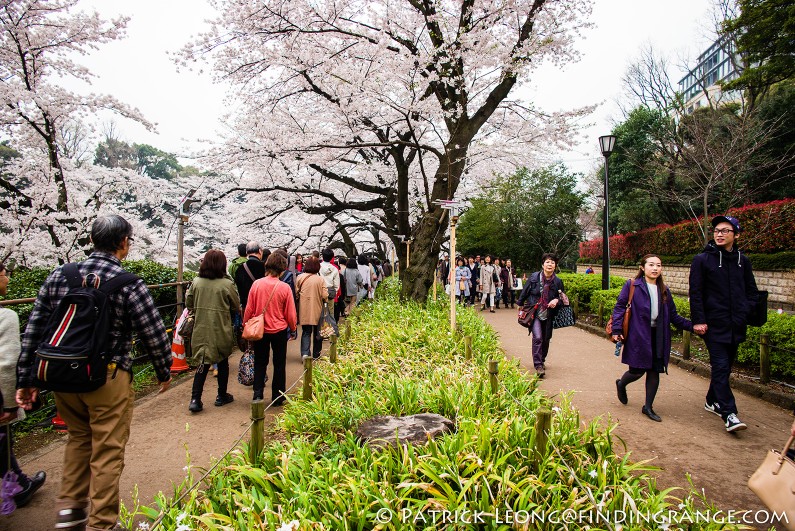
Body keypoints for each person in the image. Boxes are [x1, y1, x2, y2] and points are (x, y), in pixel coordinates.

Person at [16, 214, 172, 530]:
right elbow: (153, 332)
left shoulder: (60, 276)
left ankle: (69, 513)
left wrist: (27, 377)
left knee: (78, 438)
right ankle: (102, 523)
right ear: (123, 243)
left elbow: (35, 328)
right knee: (107, 449)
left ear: (92, 241)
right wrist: (163, 370)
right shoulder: (129, 283)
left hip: (63, 377)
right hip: (107, 377)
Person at [689, 215, 759, 433]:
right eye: (717, 230)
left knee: (725, 368)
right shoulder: (702, 260)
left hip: (736, 325)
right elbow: (696, 292)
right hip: (713, 325)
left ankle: (711, 400)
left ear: (735, 235)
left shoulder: (742, 261)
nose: (719, 234)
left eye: (725, 231)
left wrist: (745, 310)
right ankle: (728, 413)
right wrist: (699, 320)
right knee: (720, 366)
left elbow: (752, 292)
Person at [612, 255, 693, 422]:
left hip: (658, 335)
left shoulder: (664, 290)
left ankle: (648, 406)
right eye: (651, 265)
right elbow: (620, 307)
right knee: (637, 370)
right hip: (638, 335)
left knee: (655, 370)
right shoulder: (632, 285)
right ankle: (621, 384)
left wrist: (694, 326)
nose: (655, 268)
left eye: (658, 265)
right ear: (643, 267)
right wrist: (617, 329)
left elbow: (674, 316)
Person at [0, 263, 46, 510]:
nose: (7, 279)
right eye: (4, 274)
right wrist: (10, 404)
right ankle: (18, 486)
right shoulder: (5, 316)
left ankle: (18, 484)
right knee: (2, 439)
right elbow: (6, 365)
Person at [186, 250, 241, 413]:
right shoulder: (226, 284)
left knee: (203, 362)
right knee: (222, 360)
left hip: (201, 328)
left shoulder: (196, 282)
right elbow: (235, 305)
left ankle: (195, 399)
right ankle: (221, 395)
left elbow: (189, 303)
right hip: (220, 328)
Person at [243, 253, 297, 406]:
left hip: (260, 330)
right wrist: (292, 328)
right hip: (279, 330)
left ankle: (258, 393)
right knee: (279, 363)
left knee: (260, 362)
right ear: (282, 269)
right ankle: (278, 396)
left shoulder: (257, 285)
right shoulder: (284, 287)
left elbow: (249, 308)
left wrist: (246, 323)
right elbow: (290, 313)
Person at [517, 253, 565, 378]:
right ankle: (538, 365)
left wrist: (556, 301)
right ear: (543, 264)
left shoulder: (558, 281)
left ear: (555, 266)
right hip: (535, 312)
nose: (550, 264)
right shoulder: (534, 277)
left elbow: (562, 298)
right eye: (548, 262)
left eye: (553, 262)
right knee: (537, 337)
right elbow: (525, 291)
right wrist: (520, 303)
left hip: (549, 314)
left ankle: (542, 359)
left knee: (546, 339)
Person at [295, 257, 328, 360]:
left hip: (304, 309)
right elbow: (325, 295)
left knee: (306, 332)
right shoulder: (320, 279)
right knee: (318, 334)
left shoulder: (300, 277)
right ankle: (316, 354)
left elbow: (296, 292)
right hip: (317, 309)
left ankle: (305, 354)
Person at [234, 241, 265, 312]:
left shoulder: (240, 269)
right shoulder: (264, 267)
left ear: (247, 253)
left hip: (246, 307)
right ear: (260, 251)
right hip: (260, 306)